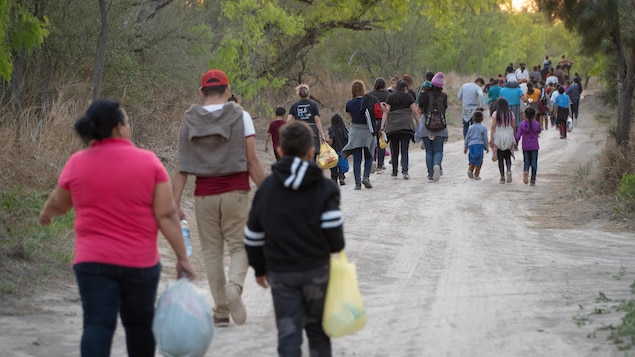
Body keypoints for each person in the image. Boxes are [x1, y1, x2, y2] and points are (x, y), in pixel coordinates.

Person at [39, 99, 197, 357]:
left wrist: (46, 213)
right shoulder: (149, 162)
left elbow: (60, 203)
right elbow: (167, 215)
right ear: (119, 127)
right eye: (127, 121)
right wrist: (182, 257)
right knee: (139, 326)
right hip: (140, 264)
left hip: (92, 261)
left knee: (97, 324)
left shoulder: (78, 162)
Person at [244, 121, 345, 357]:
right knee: (318, 330)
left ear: (280, 151)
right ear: (312, 151)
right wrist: (333, 249)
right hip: (316, 269)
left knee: (288, 332)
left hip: (281, 272)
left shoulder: (267, 188)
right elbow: (334, 233)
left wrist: (259, 269)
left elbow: (252, 236)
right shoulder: (324, 187)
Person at [173, 69, 265, 328]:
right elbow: (252, 160)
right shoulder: (241, 115)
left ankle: (221, 311)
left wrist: (175, 203)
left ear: (201, 92)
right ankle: (234, 286)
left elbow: (182, 166)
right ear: (227, 90)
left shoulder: (189, 120)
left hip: (204, 195)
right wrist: (269, 191)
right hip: (236, 192)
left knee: (212, 253)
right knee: (240, 246)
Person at [341, 80, 377, 190]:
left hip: (355, 131)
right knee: (368, 156)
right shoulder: (369, 101)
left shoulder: (350, 103)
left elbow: (349, 116)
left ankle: (357, 183)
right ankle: (366, 177)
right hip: (367, 131)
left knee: (357, 159)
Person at [380, 79, 419, 180]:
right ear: (405, 88)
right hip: (406, 125)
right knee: (404, 149)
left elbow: (386, 112)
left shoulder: (391, 97)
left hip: (393, 127)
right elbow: (415, 112)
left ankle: (394, 172)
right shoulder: (409, 96)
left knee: (394, 150)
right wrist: (419, 124)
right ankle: (405, 172)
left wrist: (382, 126)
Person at [415, 72, 448, 182]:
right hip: (440, 126)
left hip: (426, 125)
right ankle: (437, 164)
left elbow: (419, 110)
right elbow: (444, 109)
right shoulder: (444, 96)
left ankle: (430, 175)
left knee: (429, 151)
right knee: (438, 150)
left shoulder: (424, 95)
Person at [286, 84, 327, 161]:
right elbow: (317, 121)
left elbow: (288, 121)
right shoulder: (313, 105)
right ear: (308, 93)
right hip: (312, 131)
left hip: (299, 131)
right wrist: (322, 135)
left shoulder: (294, 105)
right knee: (312, 155)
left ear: (299, 94)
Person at [490, 97, 516, 184]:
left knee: (500, 156)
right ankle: (508, 170)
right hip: (508, 132)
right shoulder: (510, 113)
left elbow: (493, 126)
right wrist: (514, 136)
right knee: (508, 155)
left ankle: (502, 177)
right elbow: (513, 126)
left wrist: (491, 138)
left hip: (499, 133)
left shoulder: (495, 113)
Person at [367, 77, 391, 173]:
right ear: (384, 85)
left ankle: (372, 161)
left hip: (372, 121)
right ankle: (380, 166)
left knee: (372, 143)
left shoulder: (369, 95)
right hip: (383, 121)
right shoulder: (388, 95)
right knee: (381, 143)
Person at [515, 107, 541, 186]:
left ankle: (526, 171)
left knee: (526, 161)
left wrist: (515, 143)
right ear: (534, 115)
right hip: (534, 146)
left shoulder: (522, 124)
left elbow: (518, 136)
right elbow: (539, 131)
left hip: (525, 146)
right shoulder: (536, 124)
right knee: (534, 162)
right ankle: (533, 179)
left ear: (525, 115)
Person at [463, 111, 489, 180]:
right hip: (479, 145)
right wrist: (486, 147)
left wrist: (465, 147)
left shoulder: (470, 127)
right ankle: (476, 174)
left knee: (472, 158)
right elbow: (485, 138)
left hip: (471, 145)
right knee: (479, 160)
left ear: (473, 118)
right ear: (482, 119)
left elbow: (467, 138)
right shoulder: (483, 128)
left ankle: (470, 170)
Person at [327, 113, 349, 186]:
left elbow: (330, 139)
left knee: (333, 165)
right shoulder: (344, 129)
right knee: (342, 164)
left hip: (333, 151)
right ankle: (341, 176)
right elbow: (347, 138)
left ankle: (334, 179)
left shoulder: (331, 129)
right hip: (342, 150)